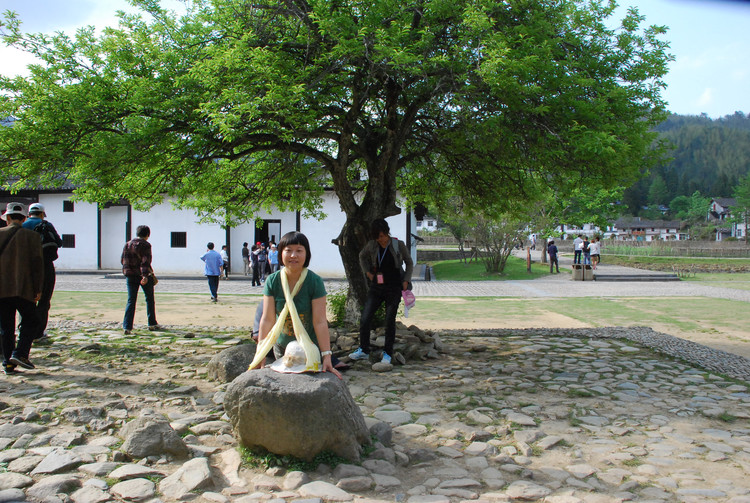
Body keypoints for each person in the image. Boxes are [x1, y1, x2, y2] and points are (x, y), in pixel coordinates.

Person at [248, 231, 341, 378]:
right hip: (283, 349)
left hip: (309, 348)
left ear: (306, 254)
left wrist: (327, 356)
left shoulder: (314, 282)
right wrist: (261, 353)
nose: (293, 255)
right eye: (288, 250)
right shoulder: (273, 281)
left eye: (299, 251)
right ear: (280, 254)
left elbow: (320, 321)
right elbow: (267, 319)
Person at [349, 218, 413, 365]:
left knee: (389, 320)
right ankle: (364, 350)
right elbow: (361, 256)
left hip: (394, 287)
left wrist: (406, 280)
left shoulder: (398, 245)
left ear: (387, 232)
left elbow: (409, 262)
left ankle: (387, 353)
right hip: (377, 287)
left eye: (383, 236)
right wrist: (368, 273)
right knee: (365, 318)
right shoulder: (372, 245)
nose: (381, 240)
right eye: (378, 237)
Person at [0, 203, 44, 374]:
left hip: (2, 289)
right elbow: (37, 264)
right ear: (24, 219)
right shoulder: (32, 237)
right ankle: (20, 353)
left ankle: (8, 364)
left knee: (6, 327)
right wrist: (38, 288)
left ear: (7, 218)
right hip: (24, 288)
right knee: (32, 321)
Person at [22, 202, 62, 341]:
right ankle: (38, 333)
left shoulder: (23, 225)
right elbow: (59, 242)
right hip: (45, 265)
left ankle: (25, 330)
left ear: (29, 213)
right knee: (44, 300)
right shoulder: (47, 225)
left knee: (27, 300)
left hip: (26, 267)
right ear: (42, 214)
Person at [121, 225, 160, 334]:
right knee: (149, 299)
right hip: (142, 275)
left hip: (130, 275)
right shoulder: (146, 245)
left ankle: (127, 326)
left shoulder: (128, 244)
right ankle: (152, 323)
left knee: (131, 300)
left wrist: (127, 270)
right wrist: (144, 276)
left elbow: (123, 260)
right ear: (147, 235)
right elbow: (145, 262)